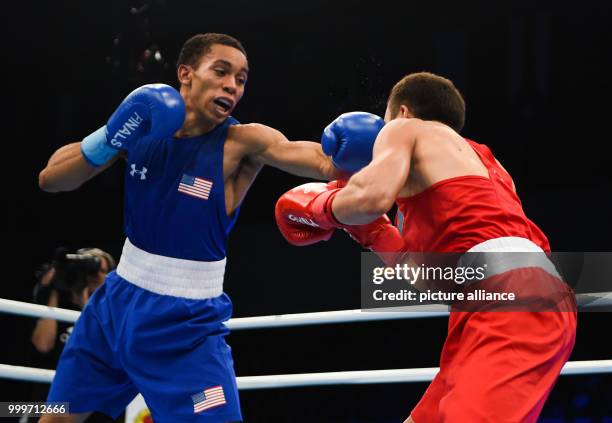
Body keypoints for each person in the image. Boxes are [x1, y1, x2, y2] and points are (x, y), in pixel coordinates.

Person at [37, 33, 378, 422]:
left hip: (186, 327)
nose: (233, 85)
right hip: (114, 307)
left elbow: (322, 162)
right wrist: (113, 133)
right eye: (221, 71)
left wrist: (380, 148)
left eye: (242, 79)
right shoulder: (143, 124)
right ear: (186, 73)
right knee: (56, 416)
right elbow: (51, 179)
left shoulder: (242, 141)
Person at [274, 72, 577, 422]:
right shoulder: (483, 164)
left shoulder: (404, 129)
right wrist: (375, 234)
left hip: (511, 303)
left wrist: (322, 210)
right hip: (498, 302)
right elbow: (434, 278)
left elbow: (370, 198)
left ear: (402, 113)